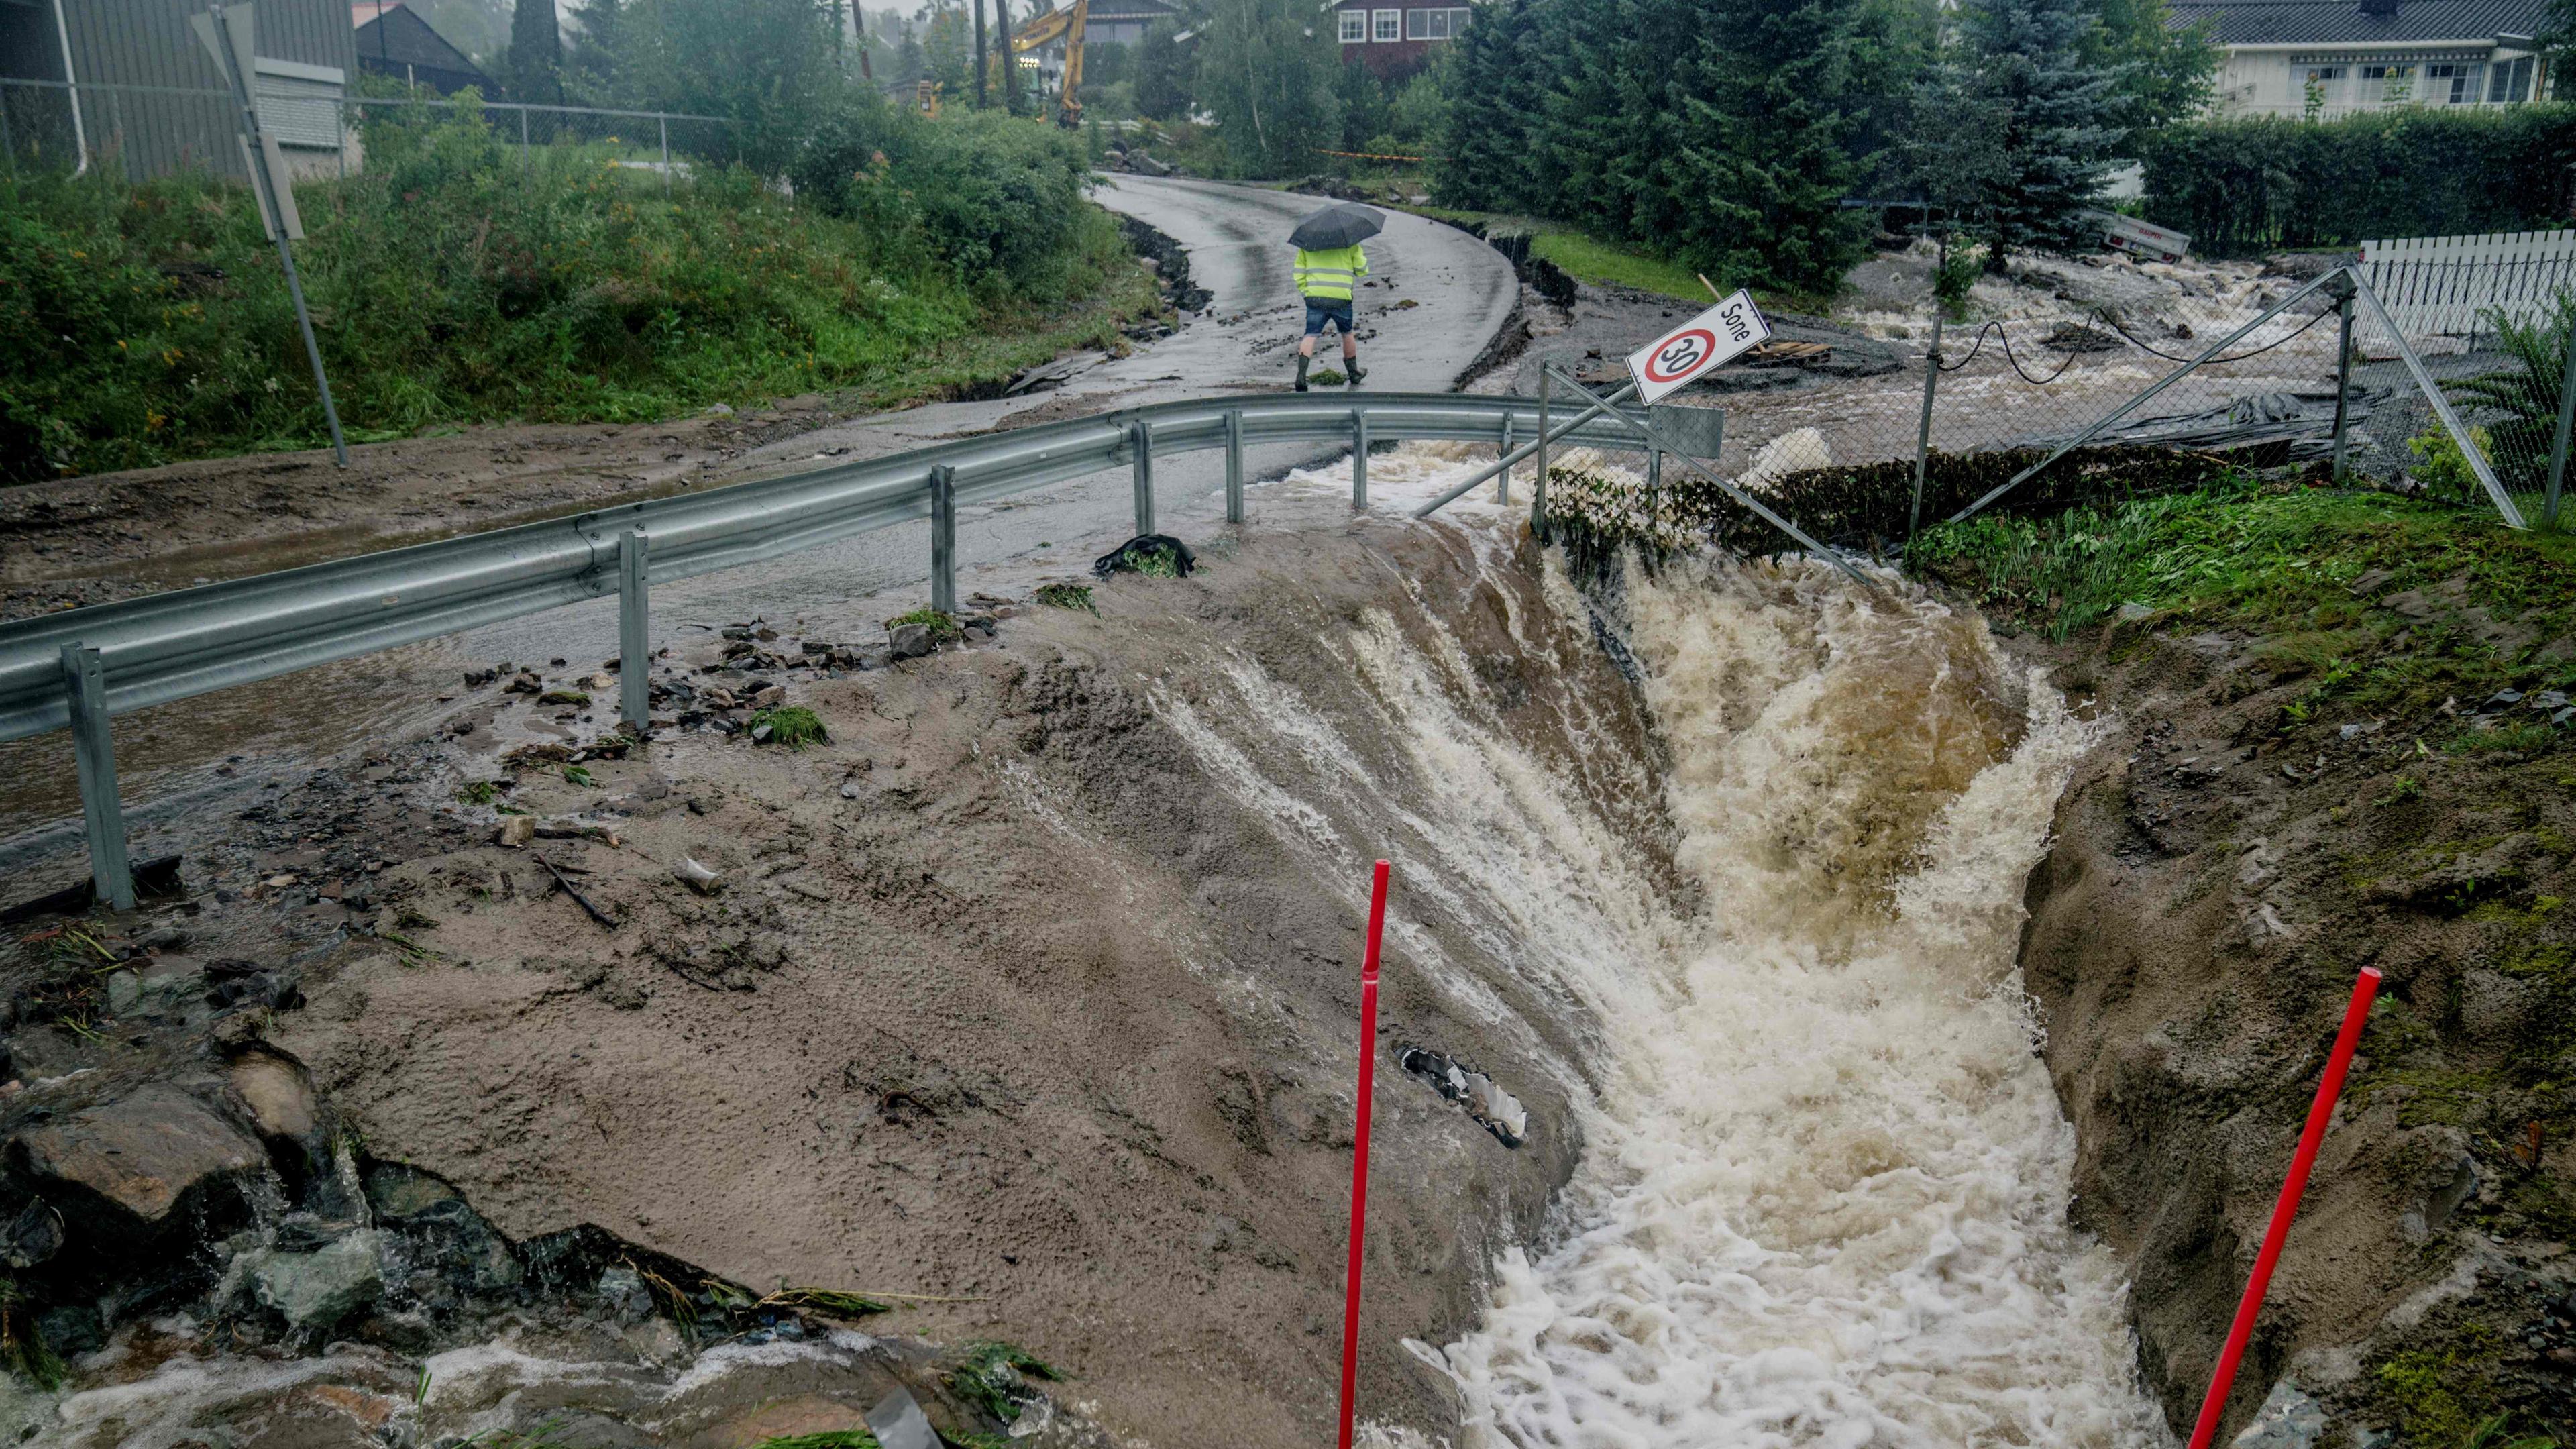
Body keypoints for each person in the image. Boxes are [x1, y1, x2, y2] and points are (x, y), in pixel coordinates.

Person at [1293, 241, 1367, 391]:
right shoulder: (1349, 243)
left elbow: (1299, 273)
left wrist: (1306, 293)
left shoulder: (1308, 243)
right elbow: (1362, 270)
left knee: (1310, 335)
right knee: (1347, 334)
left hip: (1316, 297)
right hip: (1341, 298)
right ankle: (1354, 373)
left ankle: (1301, 377)